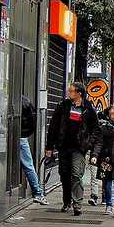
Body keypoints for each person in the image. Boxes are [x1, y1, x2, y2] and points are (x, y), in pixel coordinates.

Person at [45, 82, 101, 216]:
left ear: (78, 94)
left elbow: (95, 128)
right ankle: (67, 201)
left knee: (77, 174)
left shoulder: (88, 108)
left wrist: (88, 143)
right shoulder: (63, 106)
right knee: (64, 174)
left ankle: (77, 204)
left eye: (71, 91)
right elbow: (53, 127)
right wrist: (49, 147)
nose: (68, 93)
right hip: (64, 146)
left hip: (79, 147)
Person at [20, 95, 48, 205]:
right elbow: (31, 123)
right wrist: (24, 133)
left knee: (28, 165)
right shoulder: (25, 102)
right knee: (28, 165)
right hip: (21, 137)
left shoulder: (21, 102)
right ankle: (38, 193)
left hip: (15, 135)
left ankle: (38, 192)